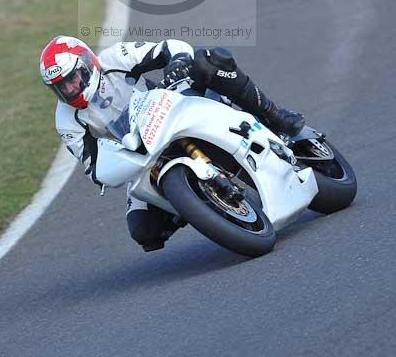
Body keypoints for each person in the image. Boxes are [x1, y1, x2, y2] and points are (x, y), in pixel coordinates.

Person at [39, 35, 305, 252]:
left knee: (210, 61)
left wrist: (177, 62)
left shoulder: (115, 57)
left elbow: (171, 47)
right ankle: (197, 202)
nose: (70, 89)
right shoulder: (66, 121)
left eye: (71, 79)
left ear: (86, 63)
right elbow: (93, 167)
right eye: (60, 87)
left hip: (168, 107)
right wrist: (110, 166)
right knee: (144, 231)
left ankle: (274, 114)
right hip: (140, 155)